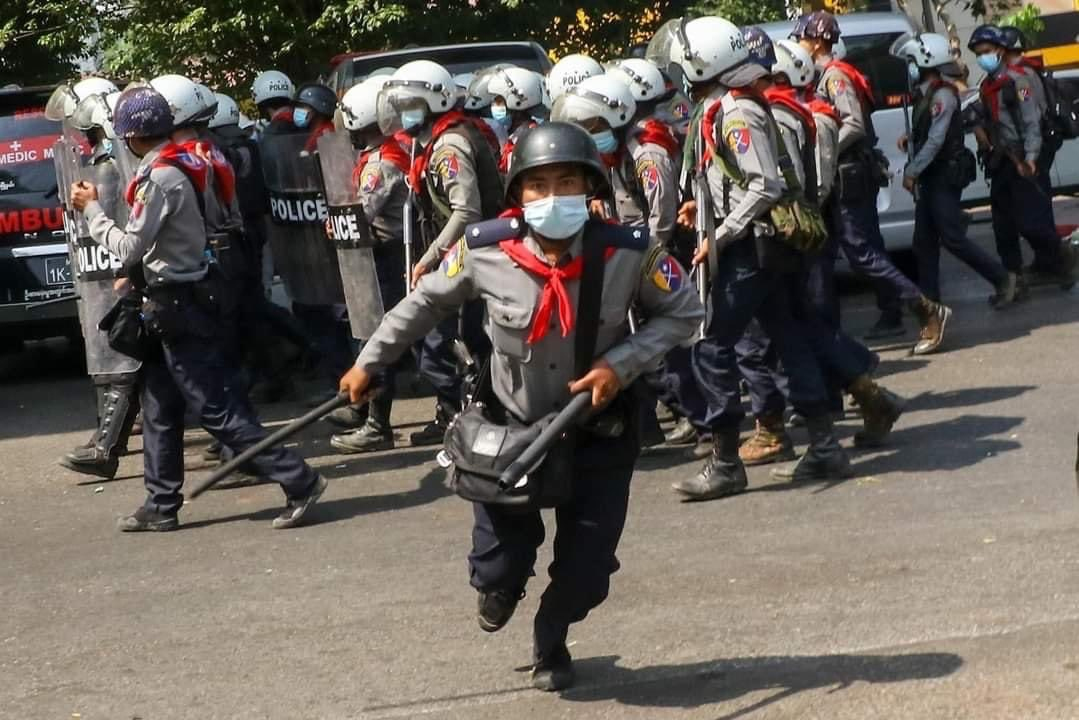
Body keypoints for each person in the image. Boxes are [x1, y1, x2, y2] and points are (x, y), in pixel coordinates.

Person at [339, 121, 703, 691]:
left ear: (592, 189)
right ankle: (503, 586)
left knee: (587, 571)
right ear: (516, 196)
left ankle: (552, 636)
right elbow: (423, 304)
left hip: (597, 429)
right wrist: (370, 361)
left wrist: (621, 364)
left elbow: (684, 312)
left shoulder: (629, 252)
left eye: (567, 183)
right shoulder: (485, 250)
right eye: (538, 186)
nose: (553, 197)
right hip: (509, 430)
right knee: (498, 568)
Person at [69, 86, 326, 531]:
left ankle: (299, 479)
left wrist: (92, 211)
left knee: (215, 410)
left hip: (180, 303)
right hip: (180, 297)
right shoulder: (193, 160)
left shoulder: (163, 177)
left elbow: (130, 245)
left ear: (131, 136)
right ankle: (161, 503)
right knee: (159, 402)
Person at [666, 15, 854, 500]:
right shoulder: (722, 107)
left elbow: (764, 184)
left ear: (703, 62)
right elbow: (730, 176)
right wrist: (699, 205)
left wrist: (721, 236)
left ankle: (726, 461)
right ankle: (825, 445)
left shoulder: (736, 112)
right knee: (788, 338)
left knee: (710, 345)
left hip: (752, 247)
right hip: (755, 244)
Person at [795, 11, 952, 354]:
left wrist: (823, 150)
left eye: (803, 39)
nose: (799, 45)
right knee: (824, 256)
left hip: (848, 175)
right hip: (842, 176)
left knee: (862, 253)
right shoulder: (823, 76)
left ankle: (925, 307)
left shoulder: (835, 77)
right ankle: (833, 341)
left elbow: (853, 124)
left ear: (819, 40)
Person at [380, 59, 504, 444]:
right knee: (465, 342)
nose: (405, 114)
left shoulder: (450, 144)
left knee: (440, 345)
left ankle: (468, 414)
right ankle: (462, 413)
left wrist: (430, 257)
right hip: (464, 252)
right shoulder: (433, 139)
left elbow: (467, 211)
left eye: (412, 104)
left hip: (470, 255)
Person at [327, 77, 453, 453]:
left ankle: (380, 425)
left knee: (391, 337)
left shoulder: (381, 164)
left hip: (391, 254)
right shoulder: (390, 153)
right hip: (392, 252)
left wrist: (333, 223)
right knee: (401, 338)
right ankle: (370, 411)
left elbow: (362, 213)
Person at [54, 79, 143, 480]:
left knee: (145, 366)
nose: (86, 139)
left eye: (88, 131)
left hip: (138, 273)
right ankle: (107, 447)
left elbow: (124, 226)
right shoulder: (114, 161)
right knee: (141, 367)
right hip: (128, 273)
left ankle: (106, 448)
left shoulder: (116, 166)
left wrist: (126, 273)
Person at [894, 33, 1017, 307]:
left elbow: (938, 139)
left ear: (927, 62)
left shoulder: (943, 96)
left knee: (951, 237)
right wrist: (911, 136)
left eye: (912, 62)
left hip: (943, 175)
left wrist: (912, 170)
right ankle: (932, 305)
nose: (909, 68)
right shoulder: (926, 95)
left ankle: (1002, 279)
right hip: (932, 176)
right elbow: (929, 130)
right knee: (923, 243)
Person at [969, 25, 1076, 291]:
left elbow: (1031, 123)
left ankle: (1062, 257)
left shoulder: (1020, 81)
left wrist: (1030, 158)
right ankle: (1013, 280)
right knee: (1003, 223)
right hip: (1002, 159)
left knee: (1032, 221)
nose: (983, 57)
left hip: (1024, 158)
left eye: (987, 52)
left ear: (1001, 51)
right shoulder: (988, 85)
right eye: (978, 53)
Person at [487, 67, 548, 174]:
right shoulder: (516, 138)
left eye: (499, 102)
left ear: (516, 102)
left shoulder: (527, 143)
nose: (495, 106)